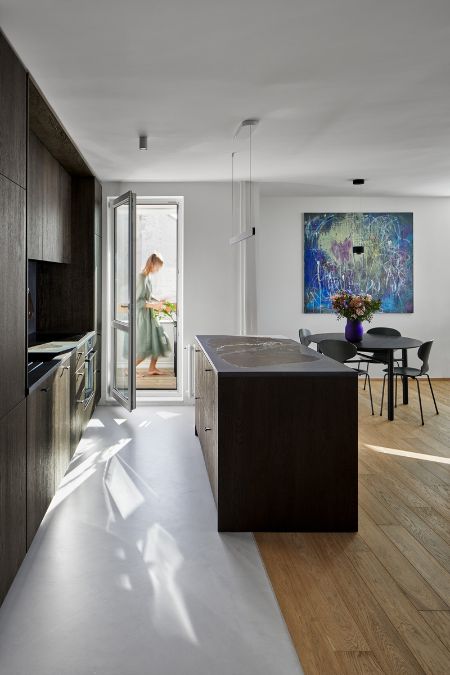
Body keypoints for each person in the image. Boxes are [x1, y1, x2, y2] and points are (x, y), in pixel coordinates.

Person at [136, 252, 170, 375]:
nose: (159, 269)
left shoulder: (148, 277)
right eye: (159, 266)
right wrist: (153, 305)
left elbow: (148, 297)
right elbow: (137, 301)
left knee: (160, 339)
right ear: (153, 264)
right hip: (144, 317)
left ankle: (152, 367)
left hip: (151, 315)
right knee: (147, 345)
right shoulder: (141, 277)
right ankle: (129, 369)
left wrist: (159, 301)